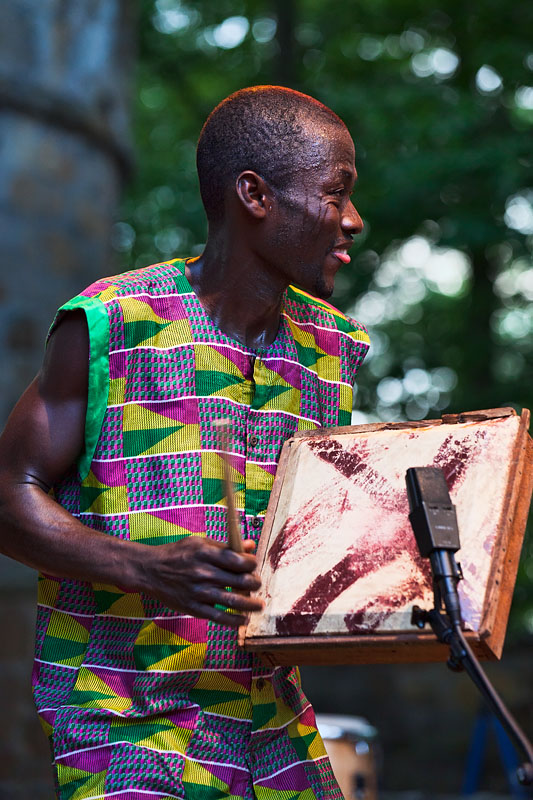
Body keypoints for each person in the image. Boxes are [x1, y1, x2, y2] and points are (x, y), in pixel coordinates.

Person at [0, 86, 370, 800]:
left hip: (273, 719)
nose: (352, 220)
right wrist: (143, 567)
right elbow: (6, 492)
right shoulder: (114, 320)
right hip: (127, 721)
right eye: (335, 193)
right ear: (254, 195)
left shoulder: (334, 348)